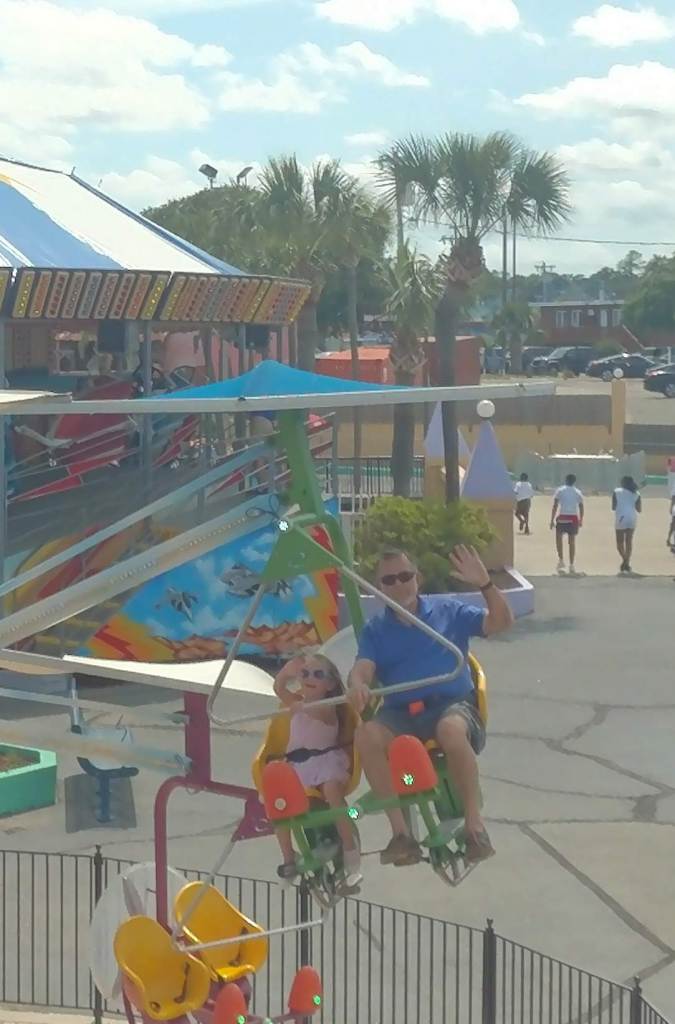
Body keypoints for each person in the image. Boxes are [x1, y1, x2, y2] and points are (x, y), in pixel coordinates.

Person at [348, 546, 514, 867]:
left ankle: (474, 826)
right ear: (379, 588)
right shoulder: (375, 630)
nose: (398, 585)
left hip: (451, 705)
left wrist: (485, 584)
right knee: (366, 735)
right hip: (402, 714)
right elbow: (362, 668)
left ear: (418, 578)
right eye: (389, 580)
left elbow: (501, 622)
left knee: (450, 730)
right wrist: (357, 685)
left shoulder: (447, 611)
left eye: (405, 576)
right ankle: (401, 834)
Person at [272, 654, 361, 884]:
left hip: (324, 759)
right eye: (305, 674)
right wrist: (287, 673)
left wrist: (299, 705)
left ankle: (349, 845)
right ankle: (288, 857)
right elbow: (278, 688)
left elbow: (315, 712)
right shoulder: (299, 702)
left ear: (329, 684)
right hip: (297, 765)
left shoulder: (327, 706)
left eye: (317, 674)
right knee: (277, 802)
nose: (309, 678)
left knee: (332, 791)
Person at [550, 474, 585, 575]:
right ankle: (571, 564)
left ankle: (561, 559)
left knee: (559, 539)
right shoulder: (578, 492)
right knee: (572, 542)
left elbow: (555, 505)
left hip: (563, 517)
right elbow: (581, 507)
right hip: (573, 518)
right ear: (574, 481)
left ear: (566, 480)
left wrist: (552, 520)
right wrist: (581, 520)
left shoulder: (560, 490)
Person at [612, 476, 642, 573]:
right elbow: (639, 509)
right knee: (629, 541)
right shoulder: (637, 493)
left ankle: (625, 561)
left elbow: (613, 507)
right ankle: (627, 562)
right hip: (632, 517)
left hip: (621, 517)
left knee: (619, 542)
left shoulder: (617, 491)